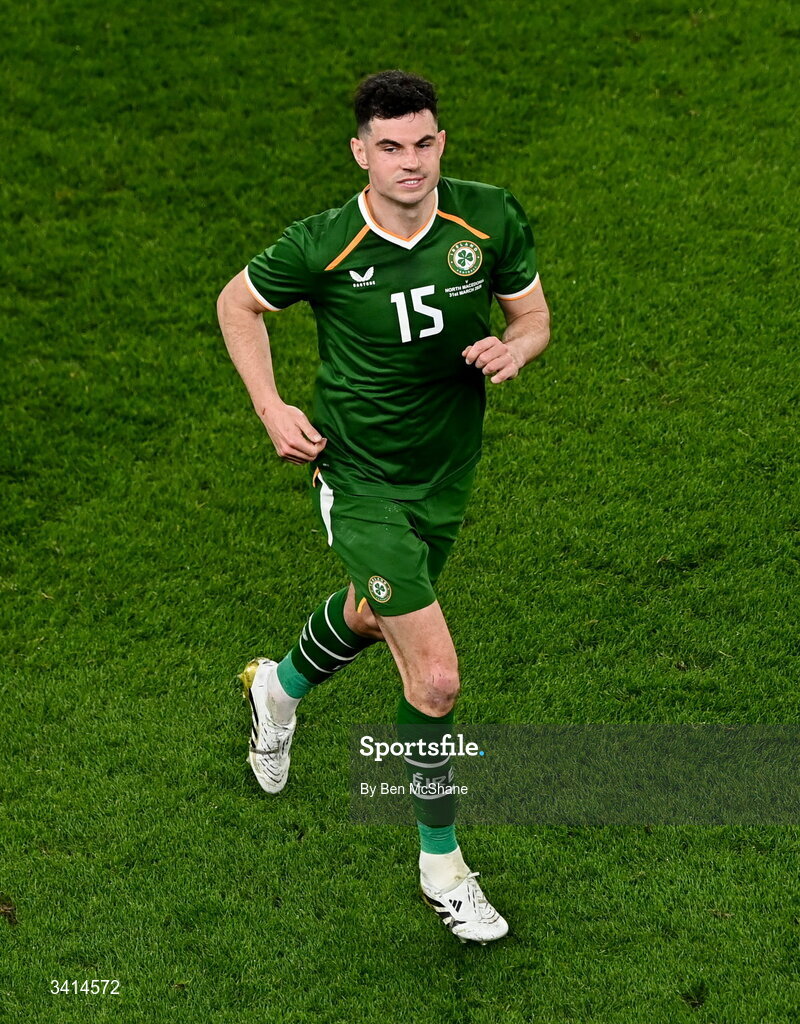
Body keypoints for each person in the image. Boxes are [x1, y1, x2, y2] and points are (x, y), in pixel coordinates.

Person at [217, 69, 550, 944]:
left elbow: (533, 318)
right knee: (434, 678)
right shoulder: (323, 244)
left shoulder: (488, 217)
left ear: (442, 141)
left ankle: (278, 691)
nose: (412, 161)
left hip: (446, 472)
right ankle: (443, 867)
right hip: (358, 477)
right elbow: (237, 302)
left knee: (374, 615)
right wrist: (270, 407)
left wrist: (517, 349)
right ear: (360, 153)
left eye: (425, 142)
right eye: (391, 146)